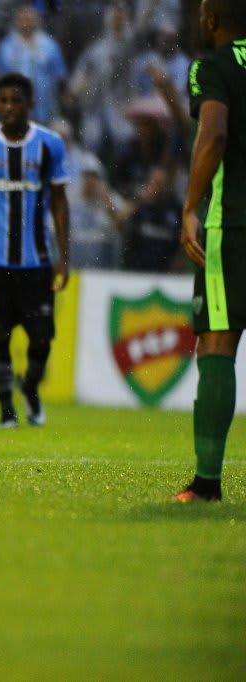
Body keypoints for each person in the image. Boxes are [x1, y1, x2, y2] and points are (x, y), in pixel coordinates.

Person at [0, 72, 70, 429]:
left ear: (30, 105)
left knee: (40, 337)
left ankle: (31, 389)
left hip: (37, 261)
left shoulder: (50, 144)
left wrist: (64, 257)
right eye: (3, 100)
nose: (8, 107)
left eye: (16, 100)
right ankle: (6, 409)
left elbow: (59, 201)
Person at [174, 0, 246, 503]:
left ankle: (206, 484)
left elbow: (214, 133)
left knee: (217, 344)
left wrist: (191, 206)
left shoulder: (210, 66)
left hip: (233, 223)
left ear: (213, 18)